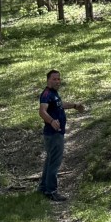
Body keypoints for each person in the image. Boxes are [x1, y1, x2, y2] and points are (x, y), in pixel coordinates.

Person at [37, 69, 84, 201]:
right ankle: (52, 191)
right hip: (53, 134)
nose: (57, 81)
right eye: (54, 79)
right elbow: (42, 111)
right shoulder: (46, 94)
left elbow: (59, 105)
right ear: (48, 80)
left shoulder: (54, 94)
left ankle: (43, 188)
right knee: (55, 162)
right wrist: (51, 121)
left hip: (56, 133)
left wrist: (74, 105)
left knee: (50, 161)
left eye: (59, 79)